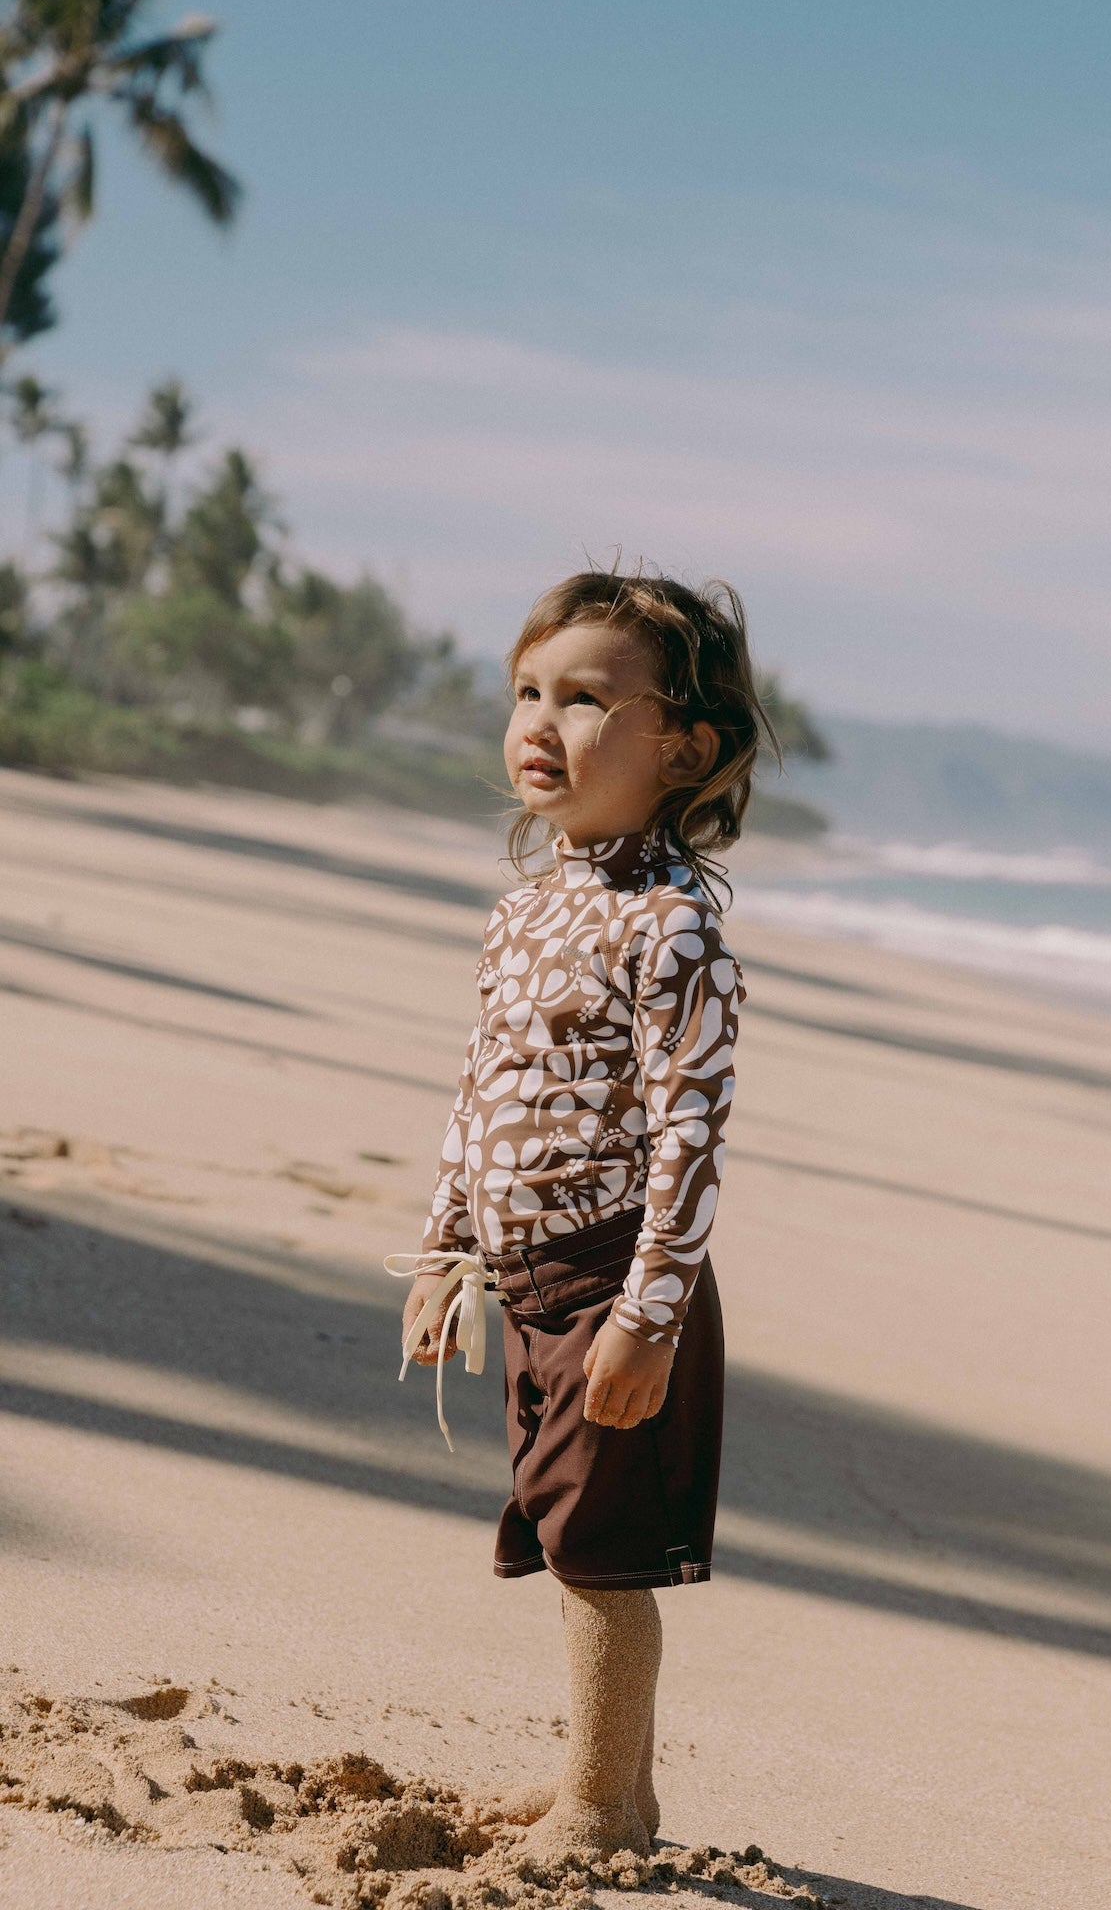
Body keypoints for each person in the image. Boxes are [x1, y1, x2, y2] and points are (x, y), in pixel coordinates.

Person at [389, 568, 771, 1861]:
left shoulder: (672, 931)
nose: (540, 722)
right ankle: (607, 1791)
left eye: (588, 698)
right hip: (529, 1278)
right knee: (567, 1539)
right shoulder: (524, 914)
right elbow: (480, 1091)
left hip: (616, 1283)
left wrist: (647, 1320)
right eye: (527, 692)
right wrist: (446, 1247)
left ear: (685, 748)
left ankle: (606, 1810)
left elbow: (691, 1136)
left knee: (606, 1553)